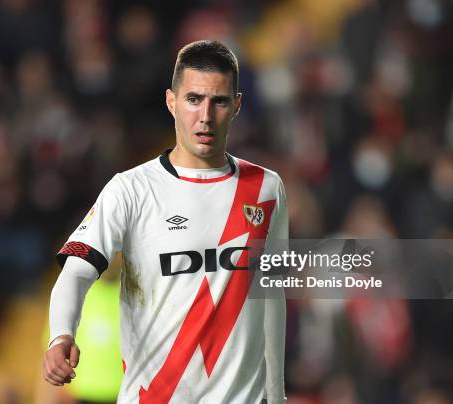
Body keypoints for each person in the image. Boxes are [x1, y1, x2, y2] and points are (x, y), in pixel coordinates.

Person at [43, 40, 287, 404]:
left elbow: (272, 296)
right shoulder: (130, 189)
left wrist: (276, 394)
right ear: (171, 102)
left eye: (218, 101)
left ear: (236, 106)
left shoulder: (267, 189)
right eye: (193, 99)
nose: (205, 115)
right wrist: (61, 335)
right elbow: (76, 272)